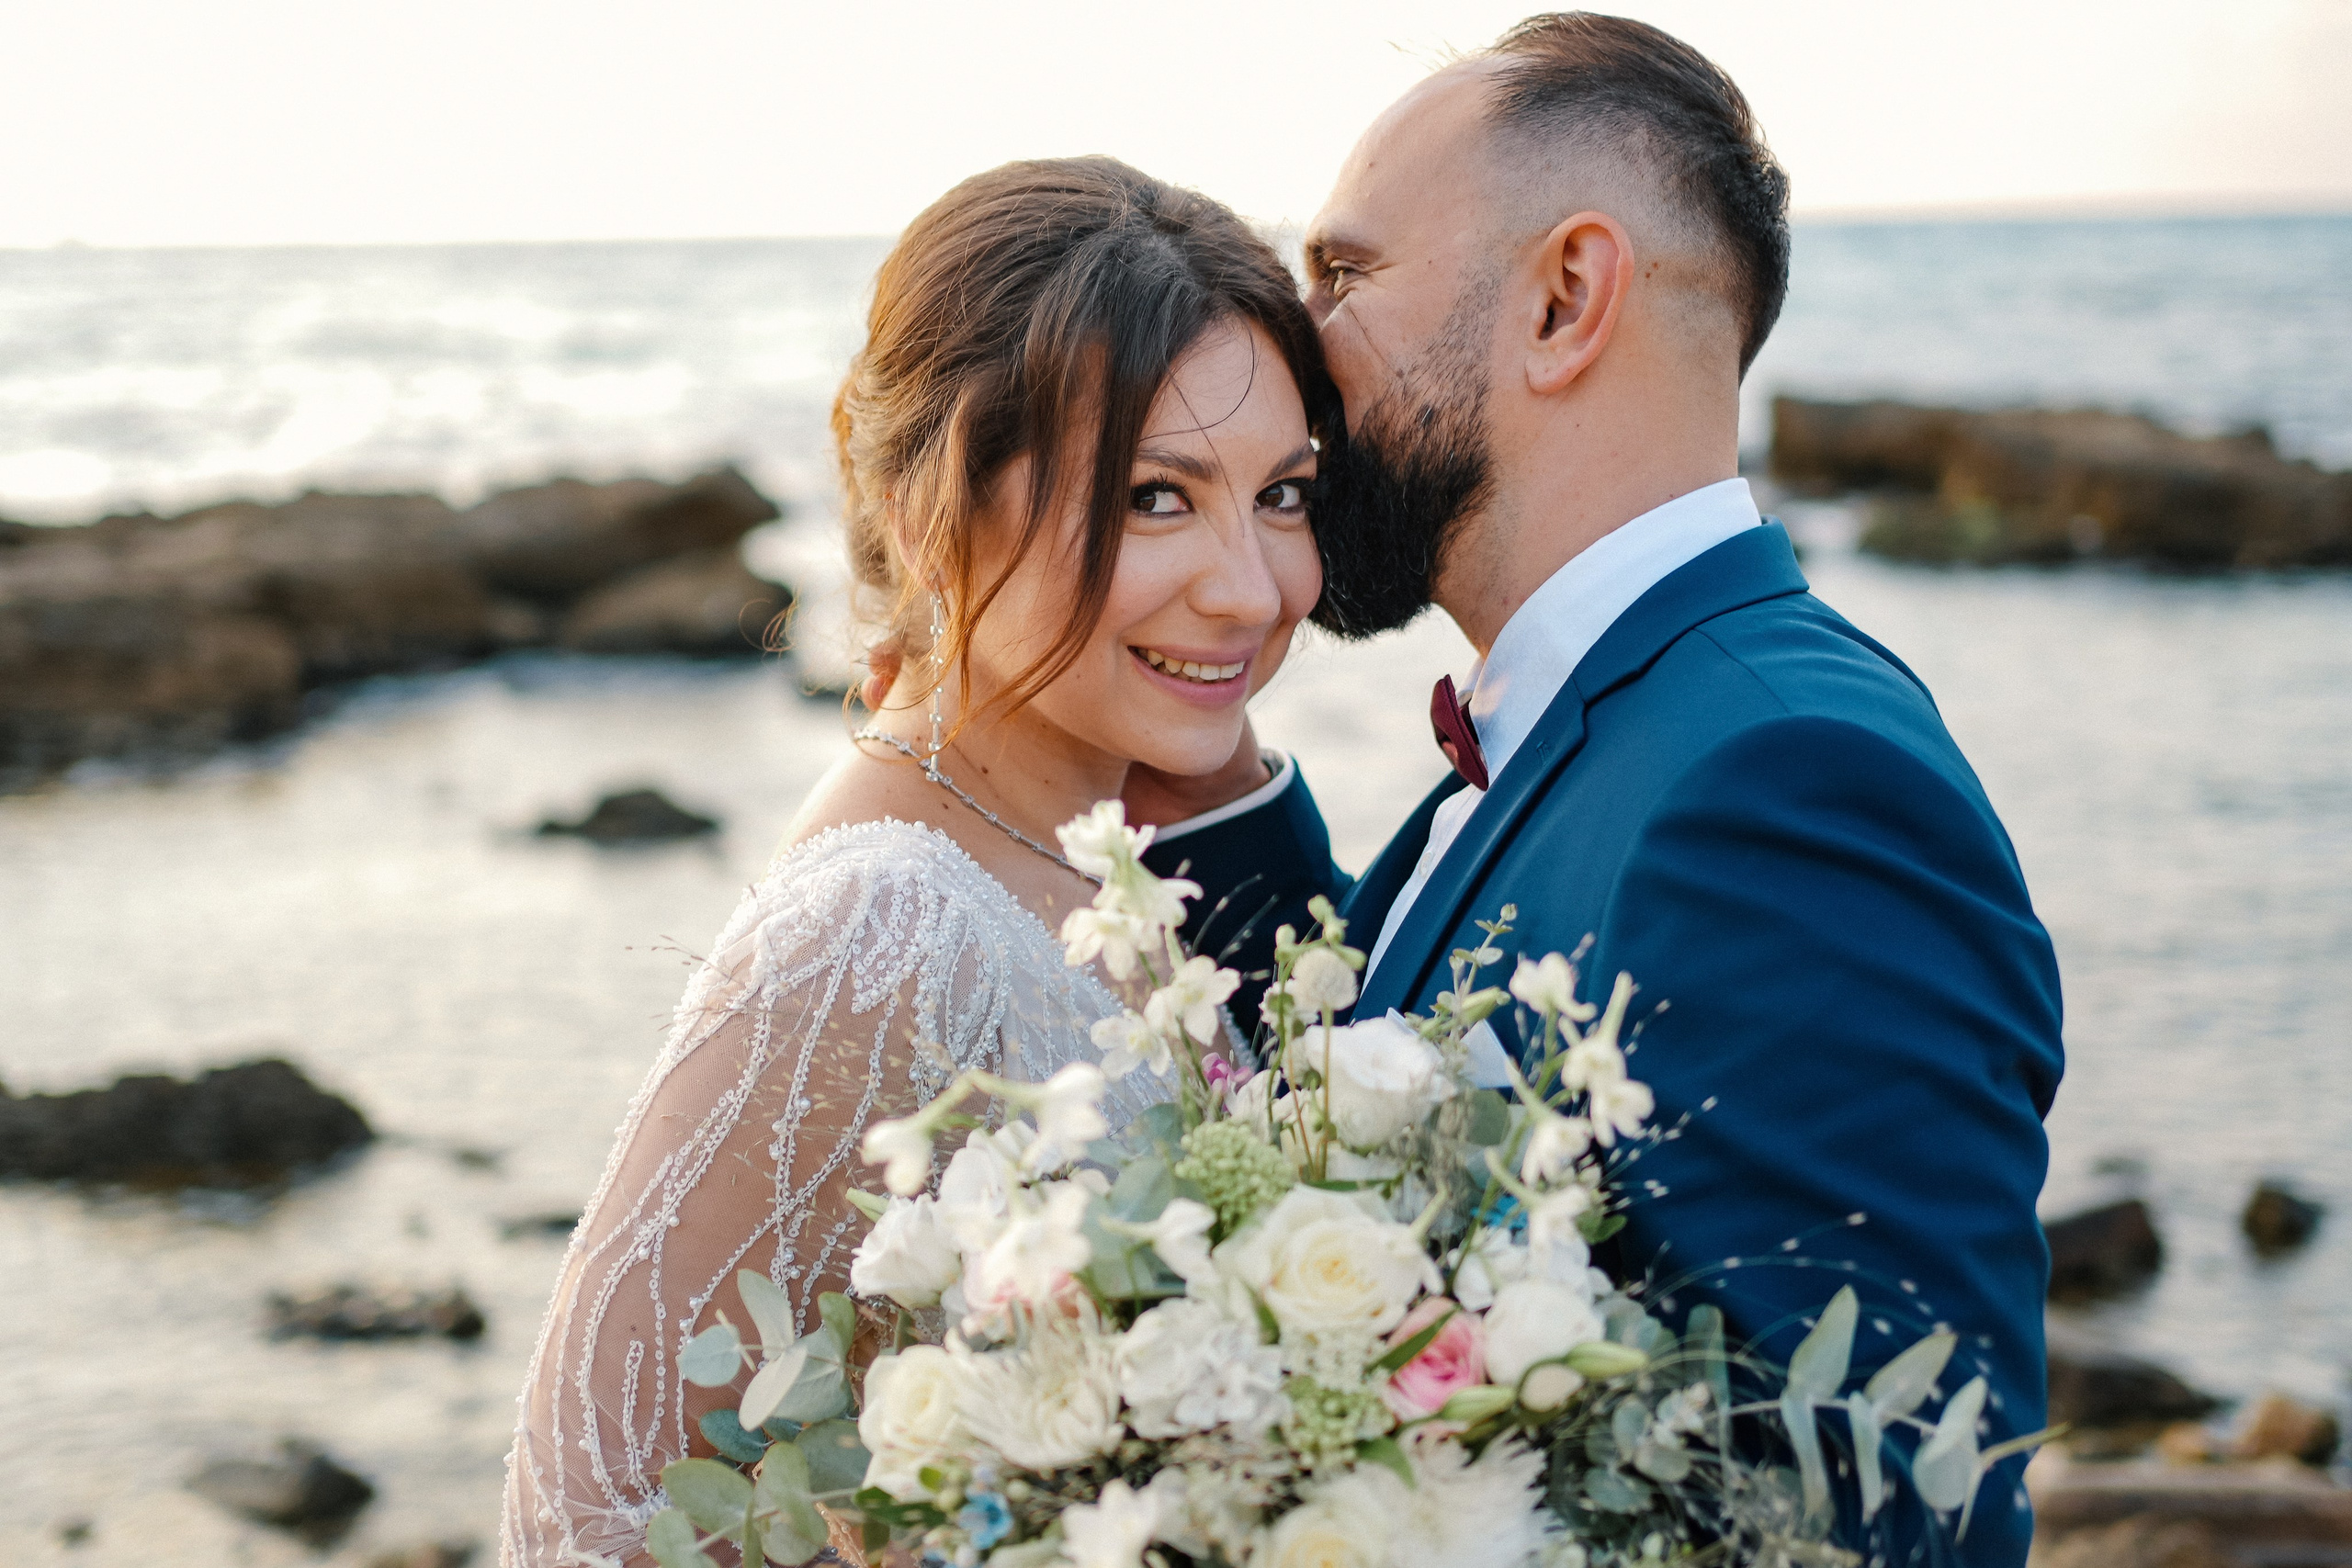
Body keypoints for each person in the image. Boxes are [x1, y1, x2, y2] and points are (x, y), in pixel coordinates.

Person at [1130, 14, 2064, 1565]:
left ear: (1565, 300)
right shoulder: (1582, 724)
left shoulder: (1790, 788)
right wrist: (1188, 779)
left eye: (1344, 276)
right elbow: (1377, 1082)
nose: (1291, 348)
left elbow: (1881, 1513)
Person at [500, 156, 1342, 1568]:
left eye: (1283, 495)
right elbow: (585, 1521)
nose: (1254, 591)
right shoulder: (884, 928)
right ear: (925, 509)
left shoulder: (1090, 858)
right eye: (1154, 497)